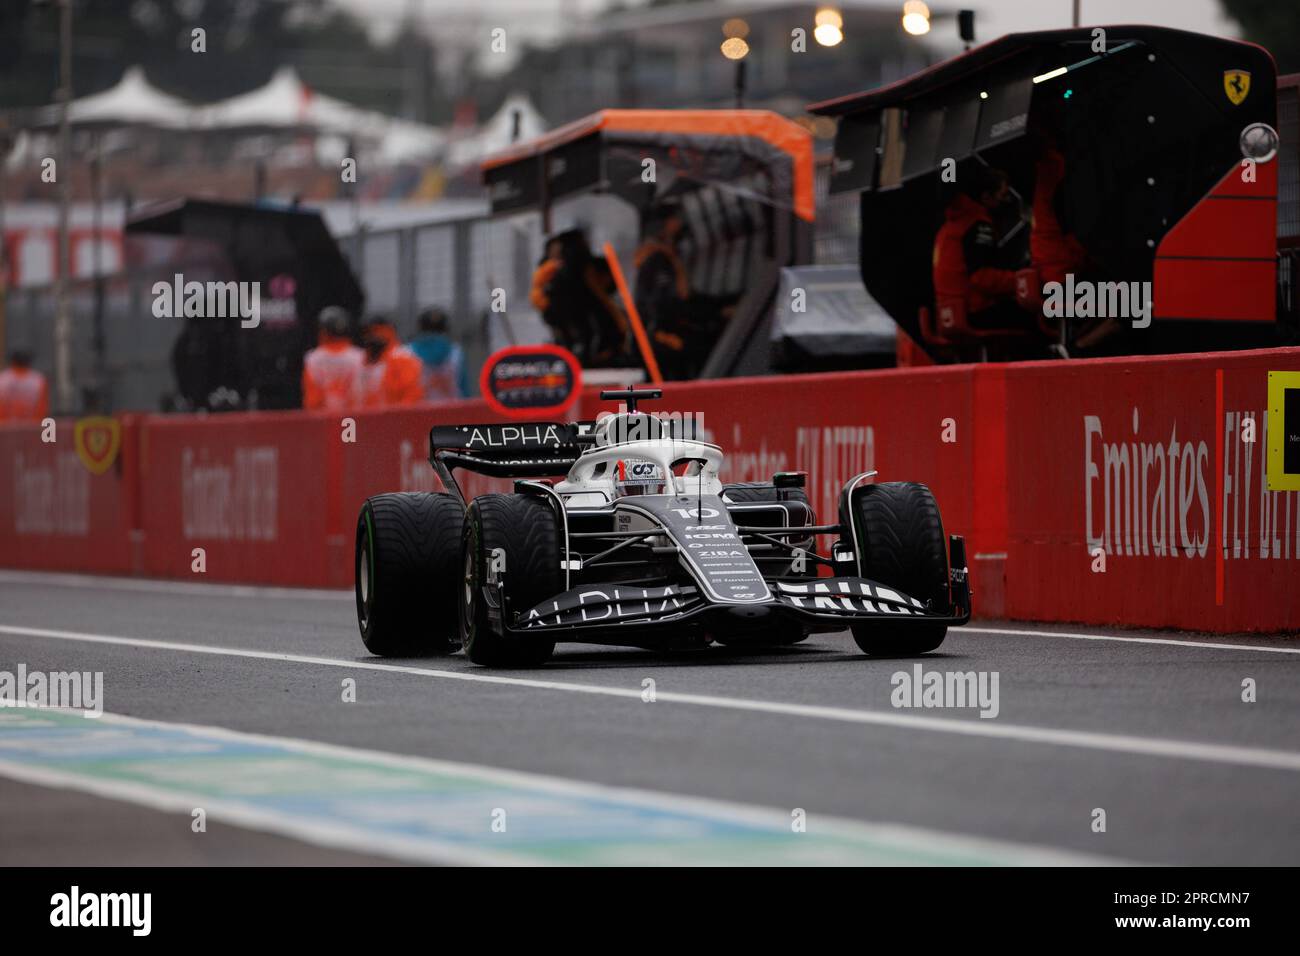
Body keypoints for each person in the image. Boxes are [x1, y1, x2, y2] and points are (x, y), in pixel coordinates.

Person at [932, 166, 1034, 331]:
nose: (1007, 200)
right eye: (1003, 195)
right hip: (975, 310)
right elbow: (980, 277)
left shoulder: (949, 227)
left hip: (950, 315)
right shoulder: (977, 224)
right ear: (986, 197)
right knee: (1040, 311)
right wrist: (1019, 280)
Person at [301, 306, 364, 411]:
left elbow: (312, 400)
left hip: (323, 422)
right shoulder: (360, 356)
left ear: (323, 332)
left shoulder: (312, 359)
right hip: (354, 420)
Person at [358, 316, 423, 408]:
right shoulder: (362, 358)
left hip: (393, 416)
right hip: (367, 416)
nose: (371, 337)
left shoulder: (401, 357)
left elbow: (411, 395)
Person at [408, 307, 468, 400]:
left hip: (419, 412)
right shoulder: (456, 353)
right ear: (446, 328)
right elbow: (464, 390)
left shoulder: (406, 353)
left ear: (420, 328)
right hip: (453, 411)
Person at [0, 350, 49, 422]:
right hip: (31, 427)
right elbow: (42, 409)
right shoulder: (38, 380)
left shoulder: (3, 378)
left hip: (5, 427)